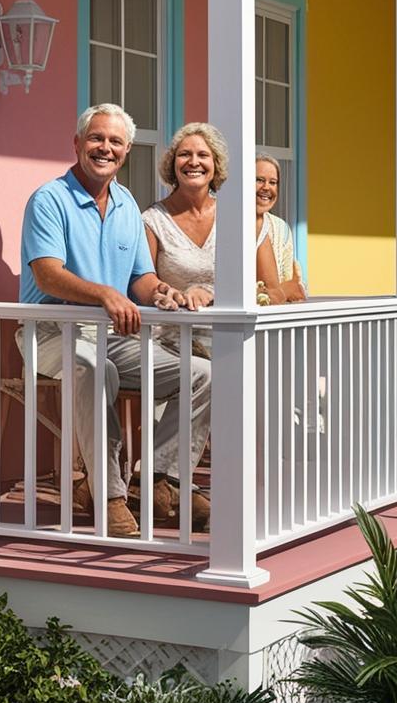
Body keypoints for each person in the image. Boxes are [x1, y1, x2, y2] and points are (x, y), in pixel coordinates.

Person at [19, 104, 209, 538]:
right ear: (77, 144)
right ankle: (108, 495)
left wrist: (161, 292)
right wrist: (106, 294)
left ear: (126, 151)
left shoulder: (127, 204)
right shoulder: (49, 199)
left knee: (202, 374)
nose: (105, 148)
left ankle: (157, 479)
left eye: (115, 142)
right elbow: (47, 274)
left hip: (112, 334)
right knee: (94, 368)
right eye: (96, 138)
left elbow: (141, 277)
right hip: (50, 331)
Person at [143, 123, 282, 315]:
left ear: (216, 164)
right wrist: (171, 296)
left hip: (234, 332)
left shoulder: (241, 218)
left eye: (203, 155)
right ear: (172, 163)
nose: (193, 162)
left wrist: (212, 293)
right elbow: (144, 286)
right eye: (184, 154)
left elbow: (273, 292)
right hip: (175, 331)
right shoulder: (153, 221)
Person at [255, 154, 306, 302]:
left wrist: (284, 291)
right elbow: (285, 290)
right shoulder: (226, 223)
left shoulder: (281, 229)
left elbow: (291, 288)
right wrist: (284, 290)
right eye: (259, 180)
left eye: (273, 182)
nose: (266, 187)